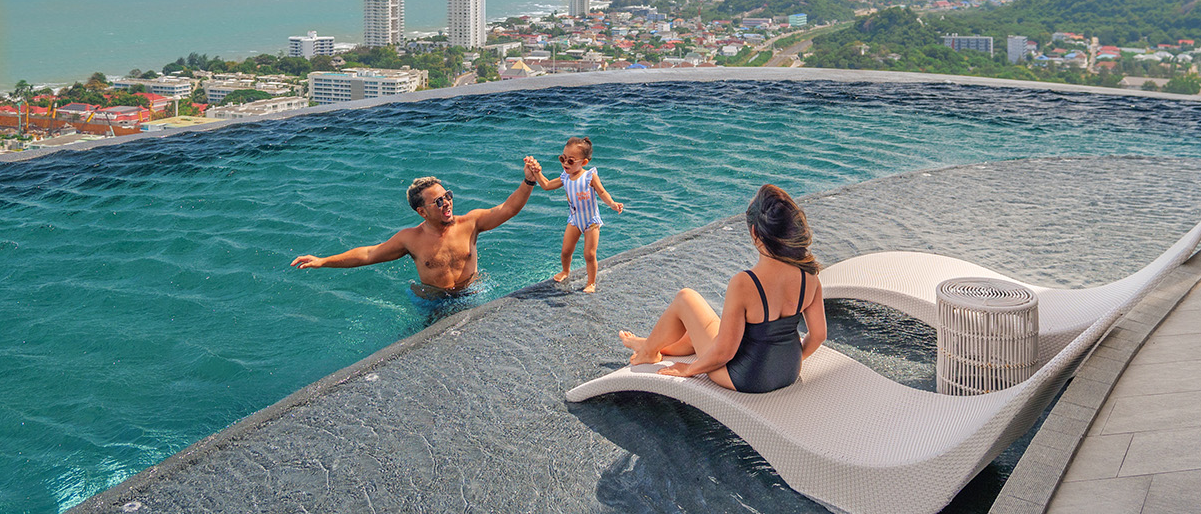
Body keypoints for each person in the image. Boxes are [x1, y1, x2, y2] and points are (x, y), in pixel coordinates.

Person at [617, 183, 826, 393]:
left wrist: (689, 369)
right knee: (695, 335)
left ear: (755, 233)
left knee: (685, 298)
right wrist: (791, 361)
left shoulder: (745, 283)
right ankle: (650, 344)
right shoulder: (810, 275)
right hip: (789, 371)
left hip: (746, 377)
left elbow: (725, 352)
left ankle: (648, 352)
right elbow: (818, 336)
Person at [289, 159, 541, 294]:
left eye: (448, 196)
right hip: (434, 300)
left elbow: (508, 209)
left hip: (472, 292)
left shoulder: (470, 223)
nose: (447, 203)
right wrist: (323, 261)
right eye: (439, 201)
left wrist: (528, 182)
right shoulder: (410, 239)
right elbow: (368, 254)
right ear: (422, 211)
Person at [527, 136, 623, 293]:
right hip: (575, 219)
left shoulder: (589, 176)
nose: (565, 163)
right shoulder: (565, 177)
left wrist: (612, 204)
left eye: (570, 161)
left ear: (584, 162)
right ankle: (565, 271)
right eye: (562, 158)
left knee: (589, 254)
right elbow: (546, 185)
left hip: (591, 221)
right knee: (566, 251)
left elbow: (602, 192)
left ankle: (591, 282)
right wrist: (537, 172)